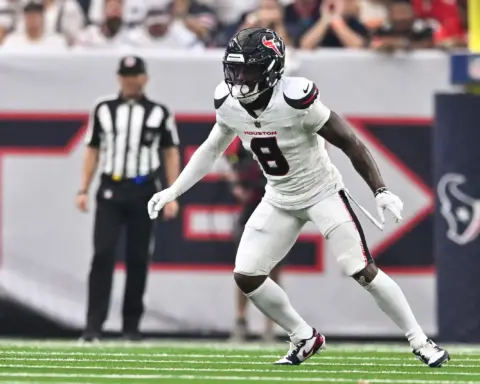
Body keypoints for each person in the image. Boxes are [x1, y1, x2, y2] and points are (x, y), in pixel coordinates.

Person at [147, 27, 450, 367]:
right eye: (234, 69)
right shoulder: (228, 102)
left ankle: (420, 341)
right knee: (247, 275)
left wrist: (380, 190)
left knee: (360, 268)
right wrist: (173, 189)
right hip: (279, 197)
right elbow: (210, 150)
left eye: (248, 69)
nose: (239, 78)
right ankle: (303, 335)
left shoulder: (295, 99)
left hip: (322, 192)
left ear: (271, 69)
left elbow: (350, 142)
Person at [77, 56, 181, 342]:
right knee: (102, 255)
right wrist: (83, 188)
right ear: (118, 77)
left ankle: (131, 326)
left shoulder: (159, 112)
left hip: (144, 189)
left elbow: (170, 152)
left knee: (138, 258)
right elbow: (93, 149)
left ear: (144, 78)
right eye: (125, 75)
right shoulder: (103, 109)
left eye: (135, 75)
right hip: (111, 187)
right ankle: (93, 326)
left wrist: (171, 193)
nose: (130, 80)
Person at [225, 144, 282, 343]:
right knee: (244, 268)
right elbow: (231, 160)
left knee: (273, 269)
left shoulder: (281, 132)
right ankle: (241, 320)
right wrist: (237, 186)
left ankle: (270, 325)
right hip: (251, 210)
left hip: (276, 208)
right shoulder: (244, 133)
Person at [2, 0, 67, 51]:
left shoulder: (57, 42)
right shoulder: (12, 42)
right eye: (30, 17)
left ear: (42, 19)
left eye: (36, 16)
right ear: (25, 19)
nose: (33, 20)